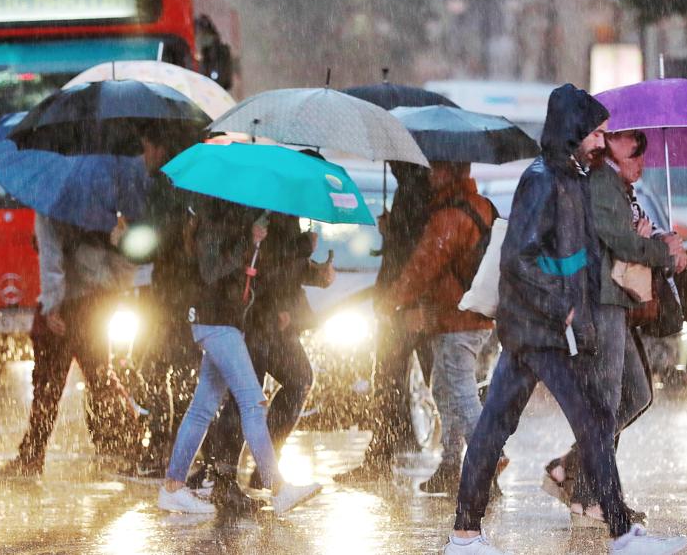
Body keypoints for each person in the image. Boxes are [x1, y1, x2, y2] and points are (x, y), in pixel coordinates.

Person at [445, 84, 687, 555]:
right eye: (596, 133)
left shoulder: (574, 177)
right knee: (590, 421)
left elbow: (577, 254)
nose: (601, 141)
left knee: (500, 424)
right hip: (540, 329)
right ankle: (620, 533)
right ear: (573, 132)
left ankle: (464, 533)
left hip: (545, 328)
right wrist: (565, 307)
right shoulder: (542, 179)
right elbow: (519, 257)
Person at [544, 129, 687, 526]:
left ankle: (571, 470)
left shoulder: (620, 188)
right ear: (611, 146)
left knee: (636, 394)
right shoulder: (602, 182)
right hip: (600, 303)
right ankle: (592, 499)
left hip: (615, 303)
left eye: (643, 151)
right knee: (606, 405)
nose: (641, 159)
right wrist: (660, 252)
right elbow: (619, 242)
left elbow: (626, 236)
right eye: (634, 148)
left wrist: (659, 239)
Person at [156, 197, 322, 515]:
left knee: (202, 408)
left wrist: (260, 247)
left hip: (225, 322)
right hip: (216, 323)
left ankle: (173, 486)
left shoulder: (229, 224)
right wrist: (250, 240)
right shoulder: (210, 225)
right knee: (252, 402)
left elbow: (249, 273)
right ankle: (279, 488)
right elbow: (212, 270)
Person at [374, 160, 499, 496]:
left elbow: (423, 268)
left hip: (456, 318)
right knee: (444, 391)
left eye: (437, 169)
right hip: (475, 315)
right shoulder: (482, 207)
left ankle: (489, 461)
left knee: (459, 393)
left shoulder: (448, 216)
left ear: (452, 172)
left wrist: (388, 303)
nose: (430, 175)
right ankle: (450, 464)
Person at [198, 212, 334, 512]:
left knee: (298, 379)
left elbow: (284, 263)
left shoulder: (286, 206)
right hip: (256, 316)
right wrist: (301, 248)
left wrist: (315, 273)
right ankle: (223, 479)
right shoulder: (263, 204)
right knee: (245, 397)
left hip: (276, 318)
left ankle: (265, 469)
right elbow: (262, 259)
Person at [0, 214, 139, 481]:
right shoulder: (101, 204)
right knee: (101, 377)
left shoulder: (51, 208)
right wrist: (114, 286)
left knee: (48, 387)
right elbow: (123, 250)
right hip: (96, 303)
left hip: (65, 305)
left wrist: (52, 306)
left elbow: (51, 261)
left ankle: (31, 457)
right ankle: (134, 444)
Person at [335, 161, 435, 484]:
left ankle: (468, 461)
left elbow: (417, 252)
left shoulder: (417, 189)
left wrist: (409, 301)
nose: (390, 163)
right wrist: (390, 230)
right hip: (401, 302)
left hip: (406, 305)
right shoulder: (411, 188)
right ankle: (382, 452)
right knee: (400, 382)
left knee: (418, 383)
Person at [127, 128, 203, 477]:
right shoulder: (190, 181)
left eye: (146, 149)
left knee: (158, 370)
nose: (144, 158)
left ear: (159, 148)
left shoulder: (165, 186)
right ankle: (179, 449)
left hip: (171, 295)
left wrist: (123, 239)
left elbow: (154, 241)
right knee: (179, 369)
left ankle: (166, 449)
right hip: (185, 294)